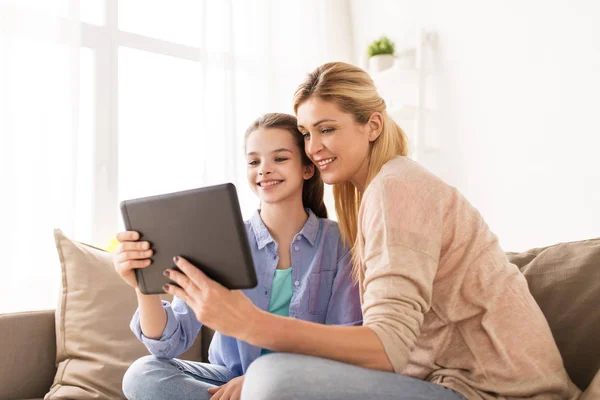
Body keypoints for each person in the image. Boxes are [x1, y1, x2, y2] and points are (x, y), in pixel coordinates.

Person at [161, 62, 581, 400]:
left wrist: (252, 324)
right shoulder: (377, 193)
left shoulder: (396, 187)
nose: (314, 146)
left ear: (372, 126)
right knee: (174, 375)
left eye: (327, 129)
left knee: (270, 377)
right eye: (307, 134)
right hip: (451, 383)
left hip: (495, 391)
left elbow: (386, 347)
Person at [114, 113, 362, 400]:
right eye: (254, 161)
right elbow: (168, 345)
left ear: (308, 168)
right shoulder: (218, 240)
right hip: (229, 379)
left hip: (304, 382)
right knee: (142, 374)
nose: (264, 170)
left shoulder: (340, 242)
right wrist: (142, 286)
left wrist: (263, 381)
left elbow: (343, 343)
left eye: (279, 159)